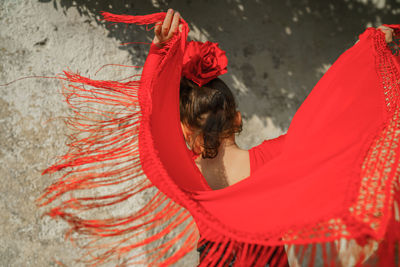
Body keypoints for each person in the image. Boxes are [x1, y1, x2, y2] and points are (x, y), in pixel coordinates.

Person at [38, 9, 400, 267]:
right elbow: (331, 121)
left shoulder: (194, 183)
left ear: (184, 131)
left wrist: (162, 52)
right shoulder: (280, 159)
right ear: (237, 118)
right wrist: (366, 51)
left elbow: (153, 122)